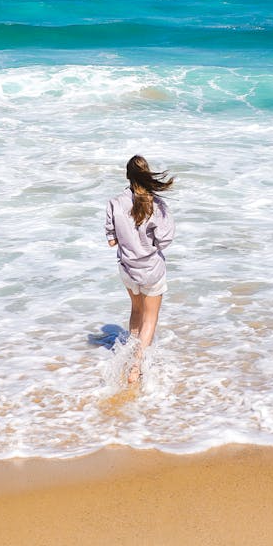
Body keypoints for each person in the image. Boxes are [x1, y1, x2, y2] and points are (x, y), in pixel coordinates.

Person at [105, 155, 175, 384]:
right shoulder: (157, 205)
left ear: (127, 175)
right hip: (151, 269)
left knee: (136, 311)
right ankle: (136, 367)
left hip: (127, 269)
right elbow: (164, 241)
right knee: (150, 318)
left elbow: (112, 241)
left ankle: (128, 357)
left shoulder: (115, 203)